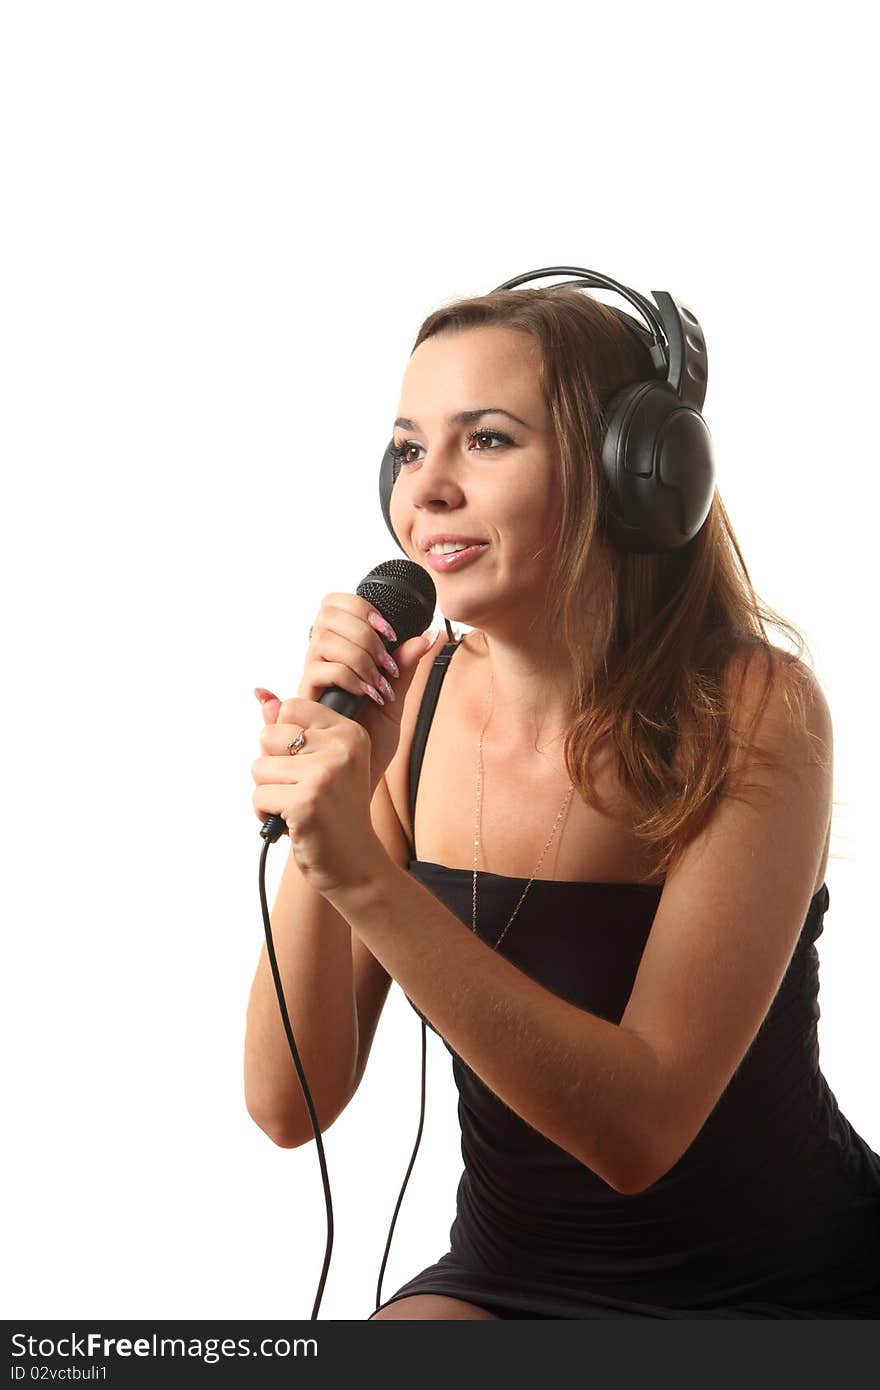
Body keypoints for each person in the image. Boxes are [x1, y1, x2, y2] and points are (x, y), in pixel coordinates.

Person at [244, 286, 880, 1319]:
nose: (429, 490)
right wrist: (334, 807)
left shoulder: (754, 710)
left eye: (486, 441)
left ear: (634, 475)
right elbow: (289, 1101)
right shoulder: (422, 707)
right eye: (408, 450)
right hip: (510, 1275)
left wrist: (366, 876)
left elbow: (639, 1131)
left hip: (782, 1286)